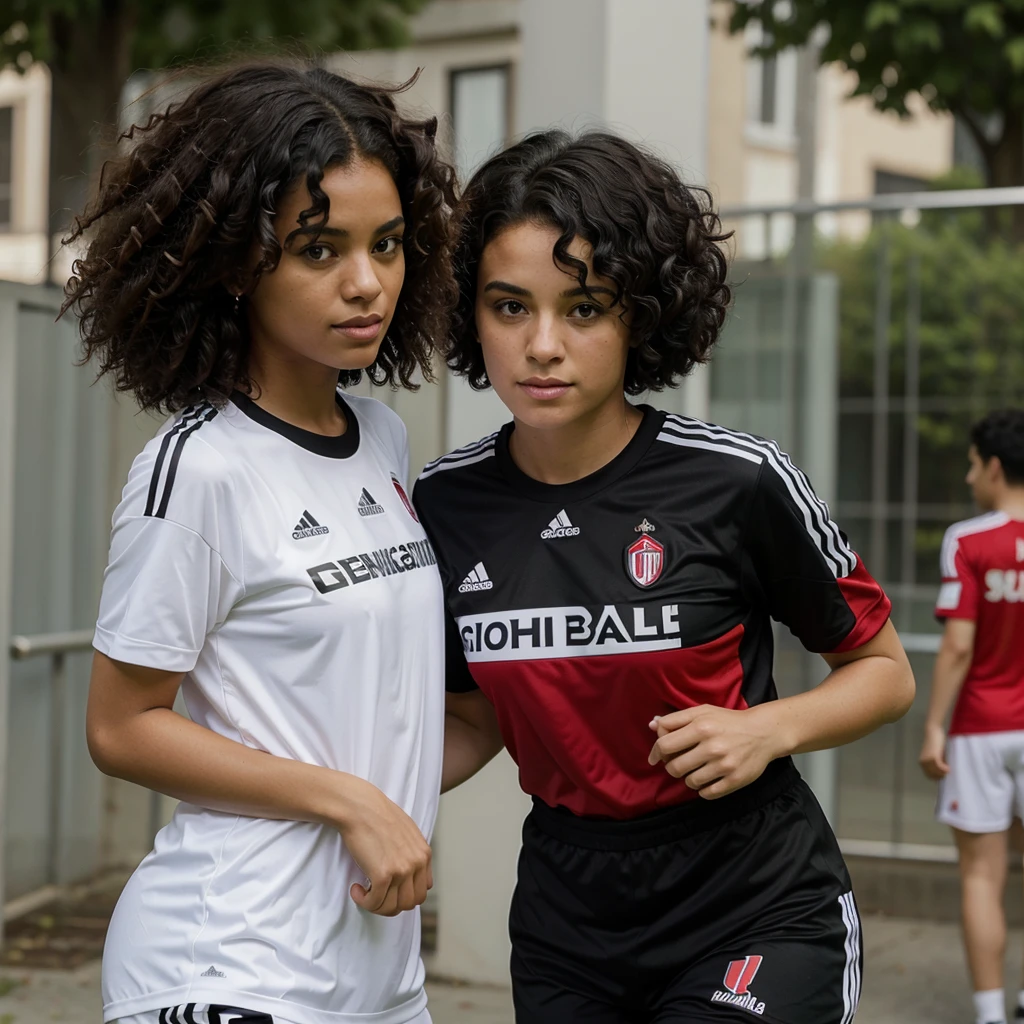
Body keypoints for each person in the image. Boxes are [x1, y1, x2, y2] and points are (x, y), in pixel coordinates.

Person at [413, 130, 916, 1024]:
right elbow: (470, 716)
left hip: (752, 900)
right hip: (570, 918)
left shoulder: (736, 481)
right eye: (509, 307)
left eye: (584, 307)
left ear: (640, 312)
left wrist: (765, 729)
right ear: (469, 314)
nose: (542, 345)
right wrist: (343, 795)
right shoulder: (444, 505)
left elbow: (884, 673)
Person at [66, 61, 457, 1024]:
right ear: (237, 263)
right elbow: (121, 727)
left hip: (379, 972)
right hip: (231, 963)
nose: (367, 283)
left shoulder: (386, 443)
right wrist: (349, 802)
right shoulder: (197, 470)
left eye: (388, 245)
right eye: (319, 249)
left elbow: (373, 707)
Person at [920, 409, 1024, 1024]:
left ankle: (989, 1016)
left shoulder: (968, 539)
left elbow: (958, 645)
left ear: (992, 465)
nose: (966, 477)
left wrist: (934, 726)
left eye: (970, 463)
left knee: (982, 877)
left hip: (983, 728)